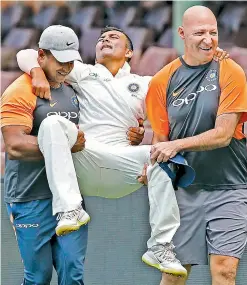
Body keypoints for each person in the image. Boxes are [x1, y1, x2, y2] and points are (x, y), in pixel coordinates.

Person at [16, 25, 228, 278]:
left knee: (166, 154)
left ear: (129, 52)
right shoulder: (82, 72)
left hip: (125, 167)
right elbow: (26, 54)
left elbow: (188, 88)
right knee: (52, 124)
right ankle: (69, 209)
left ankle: (160, 246)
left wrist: (214, 61)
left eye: (113, 37)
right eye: (101, 38)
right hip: (85, 158)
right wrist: (36, 72)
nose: (105, 39)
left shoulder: (146, 83)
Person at [146, 6, 247, 285]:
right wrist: (154, 167)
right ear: (181, 34)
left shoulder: (231, 71)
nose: (208, 39)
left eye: (213, 32)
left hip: (230, 188)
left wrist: (176, 145)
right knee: (174, 275)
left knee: (225, 271)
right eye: (199, 32)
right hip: (184, 192)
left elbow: (223, 134)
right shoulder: (161, 81)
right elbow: (160, 139)